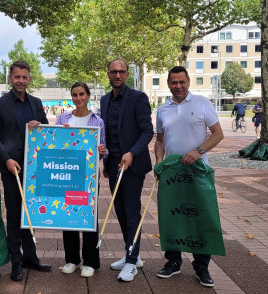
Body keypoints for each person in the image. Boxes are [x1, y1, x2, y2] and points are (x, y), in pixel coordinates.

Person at [154, 66, 224, 288]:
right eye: (174, 82)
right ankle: (173, 262)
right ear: (168, 84)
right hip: (172, 173)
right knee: (171, 214)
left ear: (188, 81)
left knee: (199, 217)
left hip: (198, 172)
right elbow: (160, 140)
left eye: (182, 82)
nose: (178, 86)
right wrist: (158, 161)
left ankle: (201, 267)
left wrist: (198, 151)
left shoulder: (202, 103)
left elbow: (218, 134)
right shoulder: (162, 109)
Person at [0, 60, 52, 281]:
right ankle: (16, 262)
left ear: (29, 79)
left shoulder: (36, 102)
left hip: (35, 169)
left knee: (30, 215)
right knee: (15, 217)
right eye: (17, 77)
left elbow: (46, 131)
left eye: (25, 77)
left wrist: (43, 126)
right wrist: (6, 159)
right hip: (11, 169)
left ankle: (30, 258)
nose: (21, 81)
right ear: (10, 78)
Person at [100, 58, 154, 282]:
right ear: (108, 74)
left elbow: (147, 131)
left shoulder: (138, 98)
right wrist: (105, 161)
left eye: (122, 72)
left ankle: (131, 262)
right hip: (113, 164)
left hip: (132, 165)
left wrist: (131, 153)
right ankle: (132, 254)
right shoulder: (104, 100)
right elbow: (106, 133)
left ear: (127, 73)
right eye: (114, 71)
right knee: (120, 211)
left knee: (131, 212)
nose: (118, 75)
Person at [55, 82, 107, 278]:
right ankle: (72, 260)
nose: (78, 98)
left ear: (88, 95)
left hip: (89, 177)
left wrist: (102, 151)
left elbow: (103, 150)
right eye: (75, 95)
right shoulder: (63, 118)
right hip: (68, 175)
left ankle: (91, 261)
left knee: (89, 217)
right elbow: (54, 144)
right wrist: (61, 135)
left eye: (82, 94)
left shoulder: (97, 121)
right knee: (68, 216)